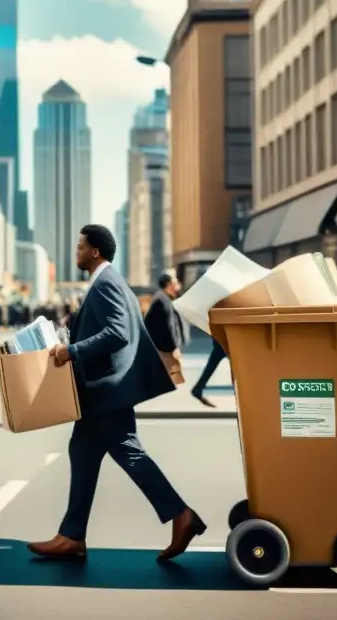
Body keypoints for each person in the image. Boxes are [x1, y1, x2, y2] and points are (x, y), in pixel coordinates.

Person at [30, 224, 206, 562]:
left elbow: (117, 332)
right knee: (82, 451)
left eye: (81, 246)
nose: (77, 251)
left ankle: (181, 515)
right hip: (108, 391)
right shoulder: (105, 283)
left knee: (128, 454)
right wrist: (69, 334)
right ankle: (72, 535)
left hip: (108, 390)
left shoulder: (107, 283)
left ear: (95, 252)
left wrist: (73, 351)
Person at [144, 272, 186, 385]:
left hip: (160, 346)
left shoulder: (162, 298)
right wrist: (175, 347)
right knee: (172, 377)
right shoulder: (163, 301)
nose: (178, 285)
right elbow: (169, 326)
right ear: (169, 285)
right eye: (175, 282)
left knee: (171, 378)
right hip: (163, 348)